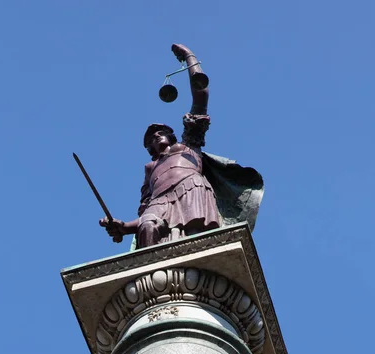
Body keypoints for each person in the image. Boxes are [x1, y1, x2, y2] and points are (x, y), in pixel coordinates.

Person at [100, 44, 264, 248]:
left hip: (191, 190)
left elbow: (201, 94)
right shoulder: (150, 169)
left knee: (195, 244)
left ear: (171, 136)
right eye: (151, 138)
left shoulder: (188, 145)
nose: (156, 137)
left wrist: (190, 58)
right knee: (147, 227)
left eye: (160, 133)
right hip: (159, 202)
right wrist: (124, 227)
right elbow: (144, 210)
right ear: (149, 148)